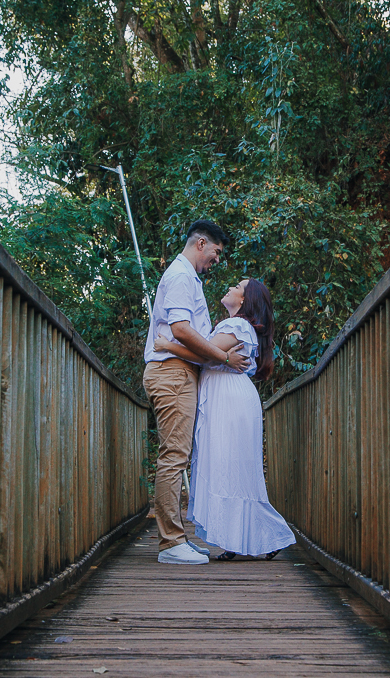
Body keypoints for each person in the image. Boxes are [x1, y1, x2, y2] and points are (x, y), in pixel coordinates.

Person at [154, 278, 296, 560]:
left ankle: (272, 534)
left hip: (230, 400)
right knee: (227, 469)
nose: (231, 288)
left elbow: (202, 353)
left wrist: (168, 346)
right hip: (226, 396)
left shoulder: (238, 325)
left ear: (244, 300)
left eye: (237, 287)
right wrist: (222, 356)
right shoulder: (235, 325)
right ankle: (235, 539)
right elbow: (212, 355)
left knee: (232, 470)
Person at [143, 220, 250, 565]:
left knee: (177, 454)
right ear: (201, 243)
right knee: (174, 456)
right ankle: (171, 544)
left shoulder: (187, 277)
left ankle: (176, 540)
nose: (217, 260)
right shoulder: (179, 276)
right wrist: (224, 357)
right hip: (172, 373)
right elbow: (181, 330)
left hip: (178, 372)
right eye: (216, 252)